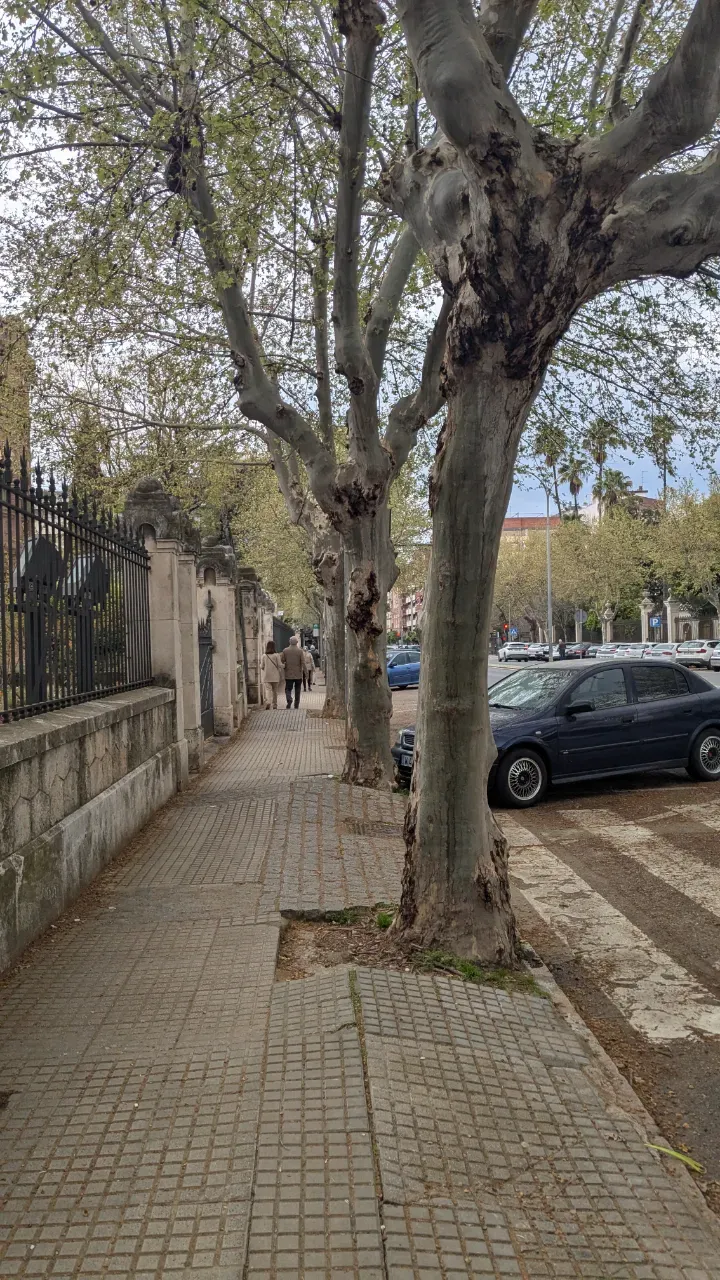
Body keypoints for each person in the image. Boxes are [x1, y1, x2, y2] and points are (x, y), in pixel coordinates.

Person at [282, 636, 305, 708]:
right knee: (297, 690)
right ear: (297, 642)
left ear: (289, 642)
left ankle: (289, 699)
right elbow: (303, 662)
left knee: (288, 689)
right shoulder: (300, 651)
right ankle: (296, 704)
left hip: (288, 674)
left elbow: (282, 660)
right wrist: (306, 673)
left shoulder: (285, 650)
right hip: (298, 674)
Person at [261, 640, 284, 709]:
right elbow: (280, 665)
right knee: (275, 691)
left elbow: (262, 666)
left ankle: (268, 702)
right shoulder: (276, 655)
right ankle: (275, 704)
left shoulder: (264, 656)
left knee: (268, 690)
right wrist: (284, 665)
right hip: (275, 676)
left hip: (267, 676)